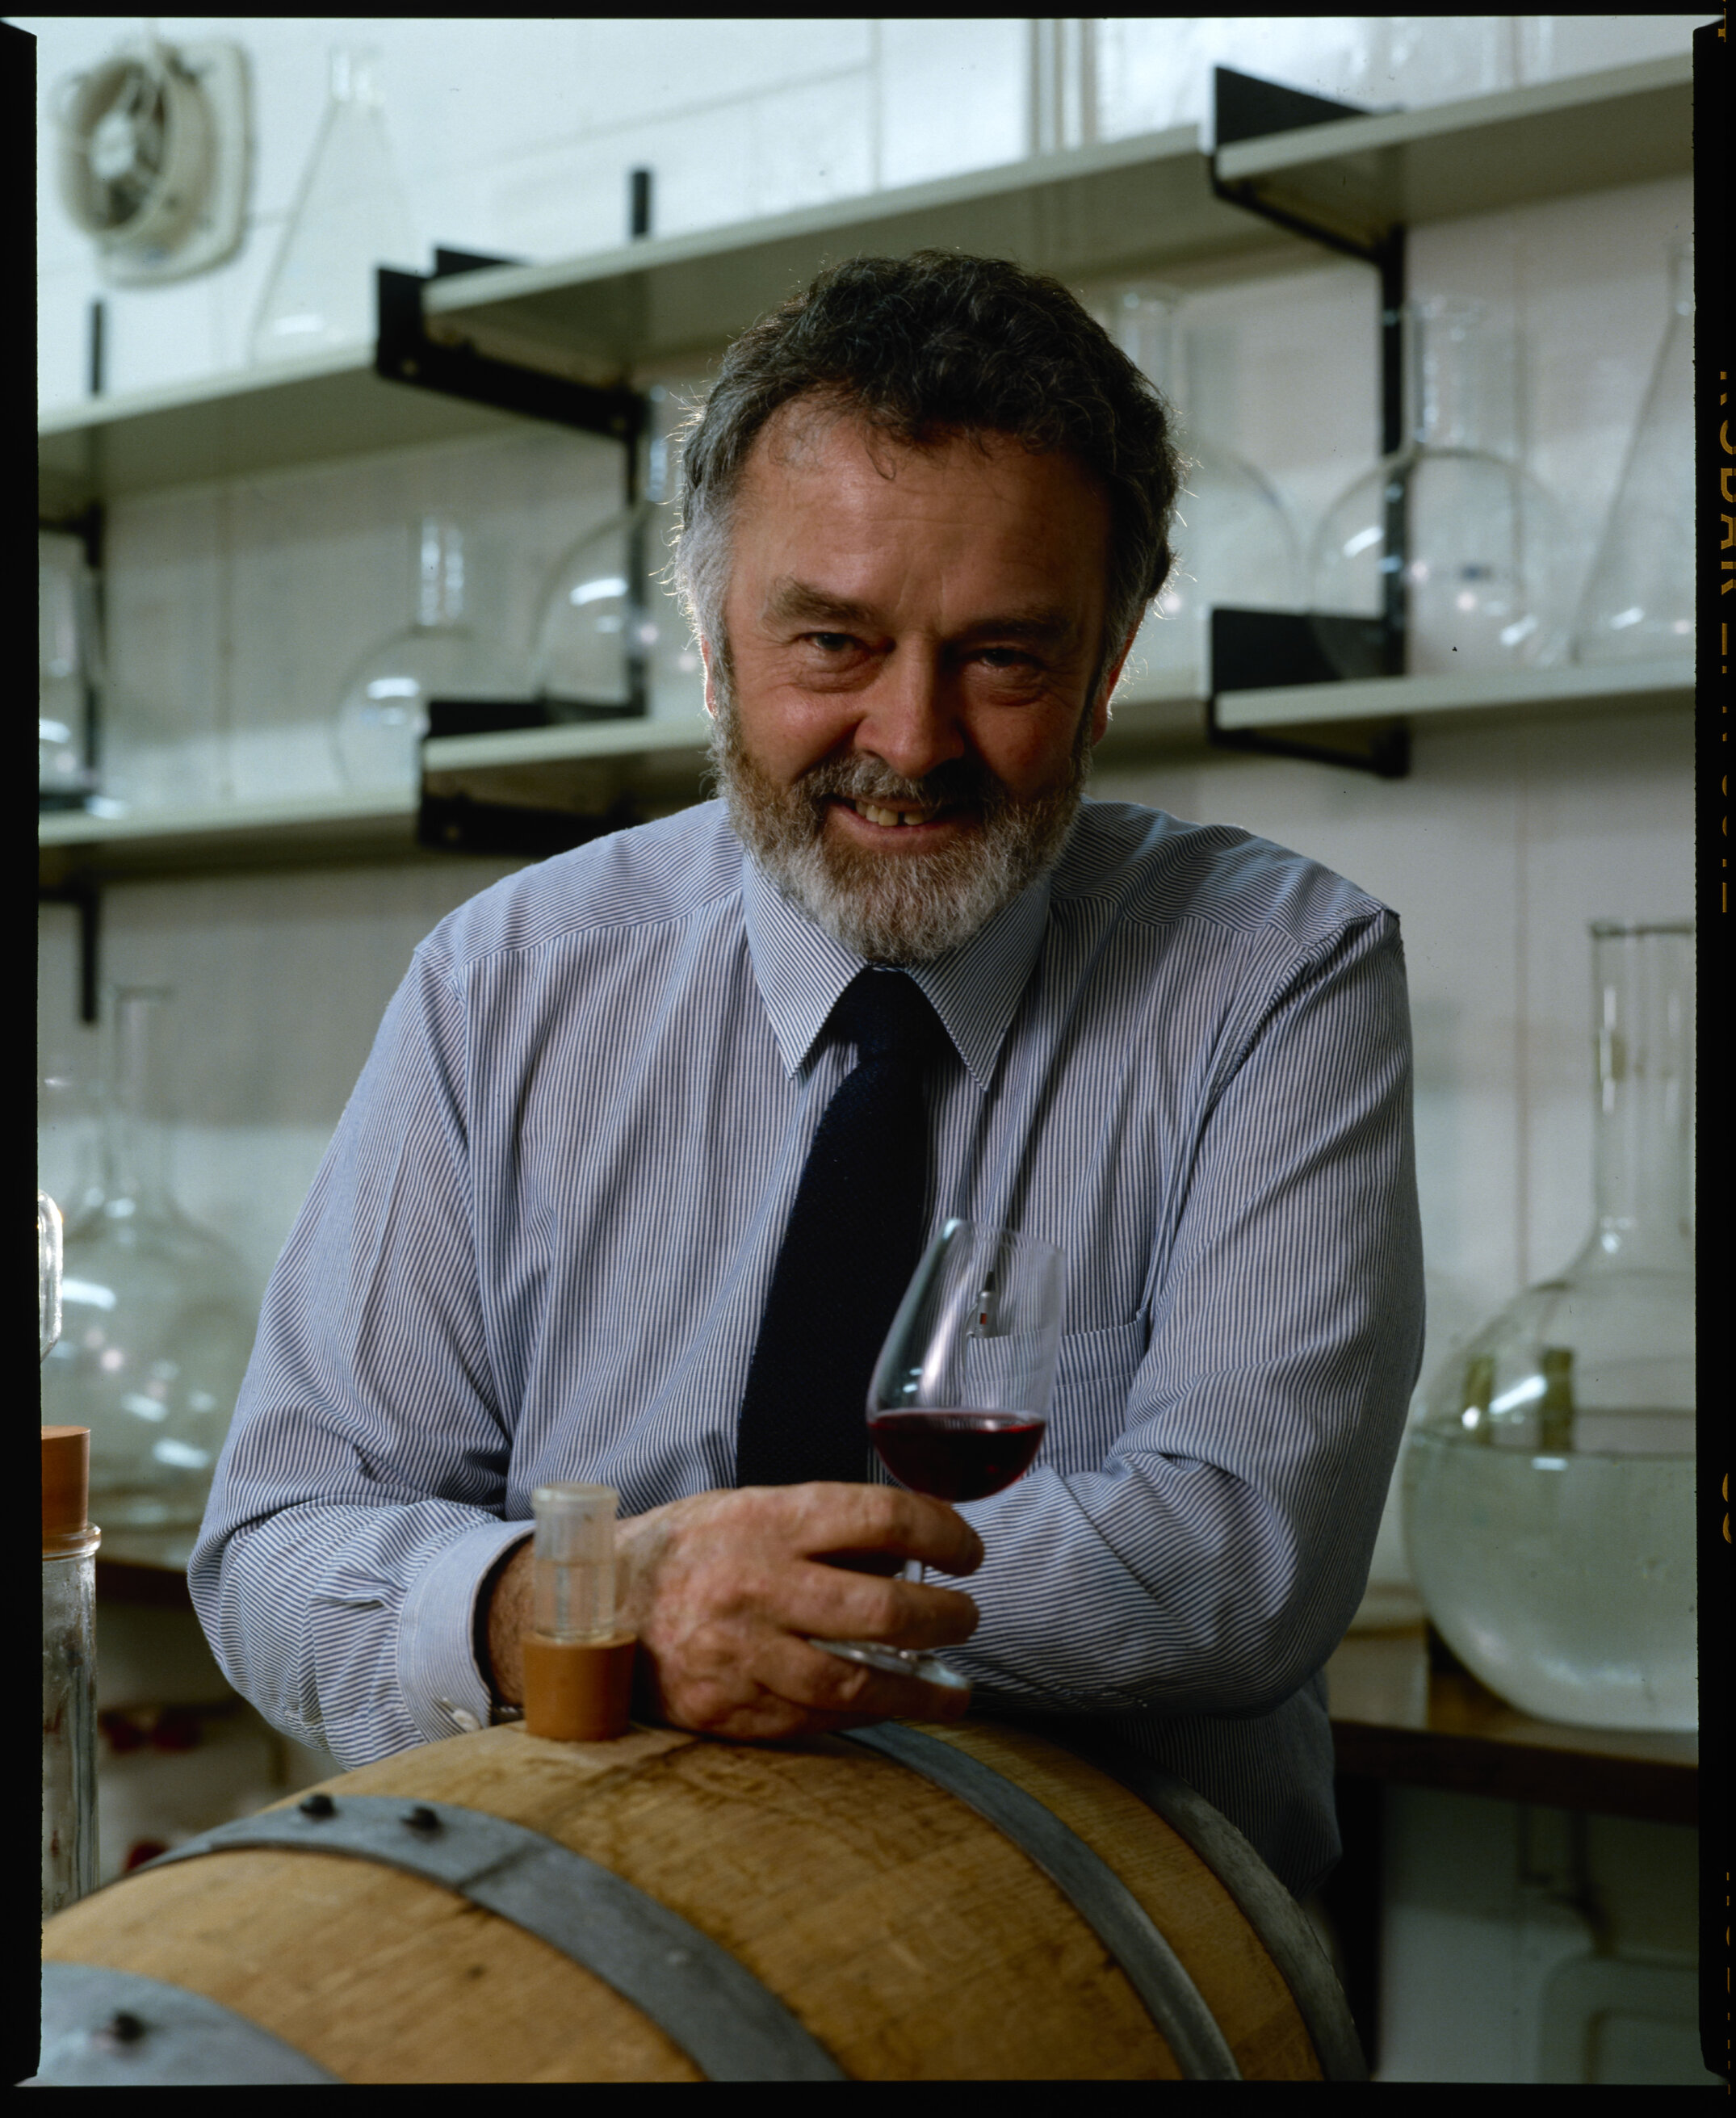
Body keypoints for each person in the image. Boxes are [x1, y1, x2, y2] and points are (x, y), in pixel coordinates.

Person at [191, 251, 1424, 1902]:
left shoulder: (1278, 975)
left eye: (1005, 658)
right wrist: (596, 1599)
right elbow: (279, 1541)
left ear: (1112, 656)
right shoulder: (503, 982)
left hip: (1098, 1960)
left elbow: (1241, 1563)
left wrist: (751, 1601)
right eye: (830, 641)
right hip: (586, 1935)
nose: (909, 739)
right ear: (709, 643)